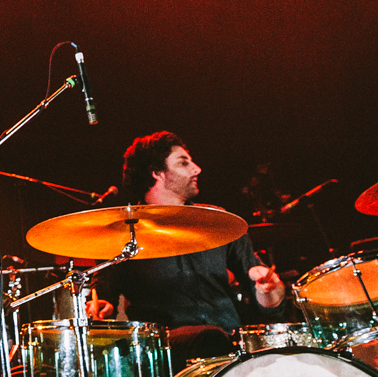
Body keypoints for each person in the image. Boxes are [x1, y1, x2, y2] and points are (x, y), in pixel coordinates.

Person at [88, 132, 291, 362]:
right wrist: (100, 305)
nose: (197, 169)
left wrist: (270, 289)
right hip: (165, 354)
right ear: (157, 173)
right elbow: (103, 296)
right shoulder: (124, 233)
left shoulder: (219, 221)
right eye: (184, 163)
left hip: (231, 349)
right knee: (206, 338)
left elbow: (270, 306)